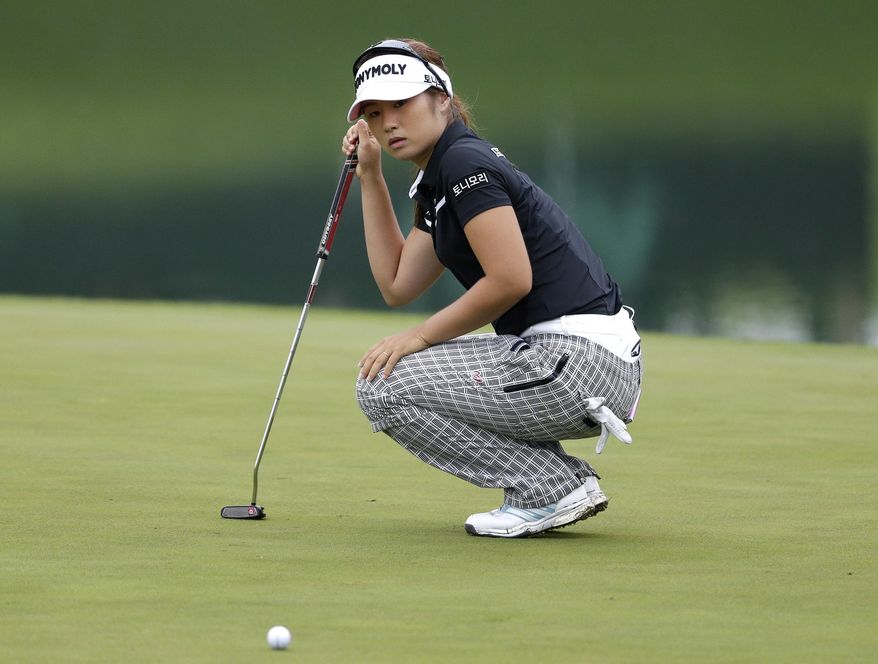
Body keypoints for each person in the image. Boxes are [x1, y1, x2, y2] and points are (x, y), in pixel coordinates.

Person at [341, 38, 642, 538]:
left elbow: (510, 279)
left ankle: (547, 486)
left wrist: (416, 338)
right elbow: (397, 283)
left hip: (575, 361)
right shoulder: (441, 179)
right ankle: (553, 484)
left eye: (401, 103)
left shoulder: (464, 165)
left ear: (442, 99)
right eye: (374, 112)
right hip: (572, 361)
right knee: (389, 377)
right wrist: (370, 177)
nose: (388, 121)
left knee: (383, 386)